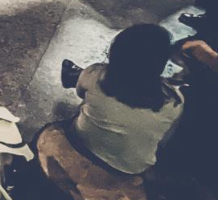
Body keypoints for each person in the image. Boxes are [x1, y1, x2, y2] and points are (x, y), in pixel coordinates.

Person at [68, 23, 184, 175]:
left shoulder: (95, 73)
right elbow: (164, 139)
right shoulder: (175, 101)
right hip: (129, 170)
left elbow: (80, 94)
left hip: (80, 145)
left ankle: (74, 76)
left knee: (86, 100)